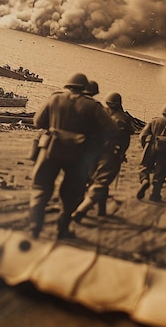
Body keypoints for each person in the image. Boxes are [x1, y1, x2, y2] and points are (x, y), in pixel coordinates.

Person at [28, 72, 111, 240]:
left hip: (51, 150)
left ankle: (34, 228)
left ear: (67, 85)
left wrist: (54, 127)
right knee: (71, 193)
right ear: (84, 88)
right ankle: (62, 229)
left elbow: (37, 122)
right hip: (78, 155)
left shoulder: (54, 98)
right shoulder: (93, 106)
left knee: (40, 188)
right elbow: (111, 130)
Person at [71, 91, 136, 222]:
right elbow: (126, 138)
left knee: (91, 179)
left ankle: (100, 209)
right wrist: (121, 153)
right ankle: (80, 211)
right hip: (110, 154)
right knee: (101, 182)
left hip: (92, 152)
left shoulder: (99, 113)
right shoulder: (122, 118)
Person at [137, 104, 166, 202]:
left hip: (151, 147)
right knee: (161, 171)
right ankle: (155, 194)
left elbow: (142, 136)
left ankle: (145, 180)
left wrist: (144, 146)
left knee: (144, 166)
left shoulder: (153, 121)